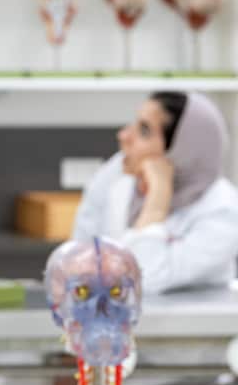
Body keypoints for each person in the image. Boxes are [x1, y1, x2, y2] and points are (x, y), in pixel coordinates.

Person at [71, 91, 238, 294]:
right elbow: (78, 264)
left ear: (182, 152)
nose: (124, 136)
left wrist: (157, 200)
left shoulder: (223, 211)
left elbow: (146, 279)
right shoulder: (117, 173)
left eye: (144, 131)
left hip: (191, 324)